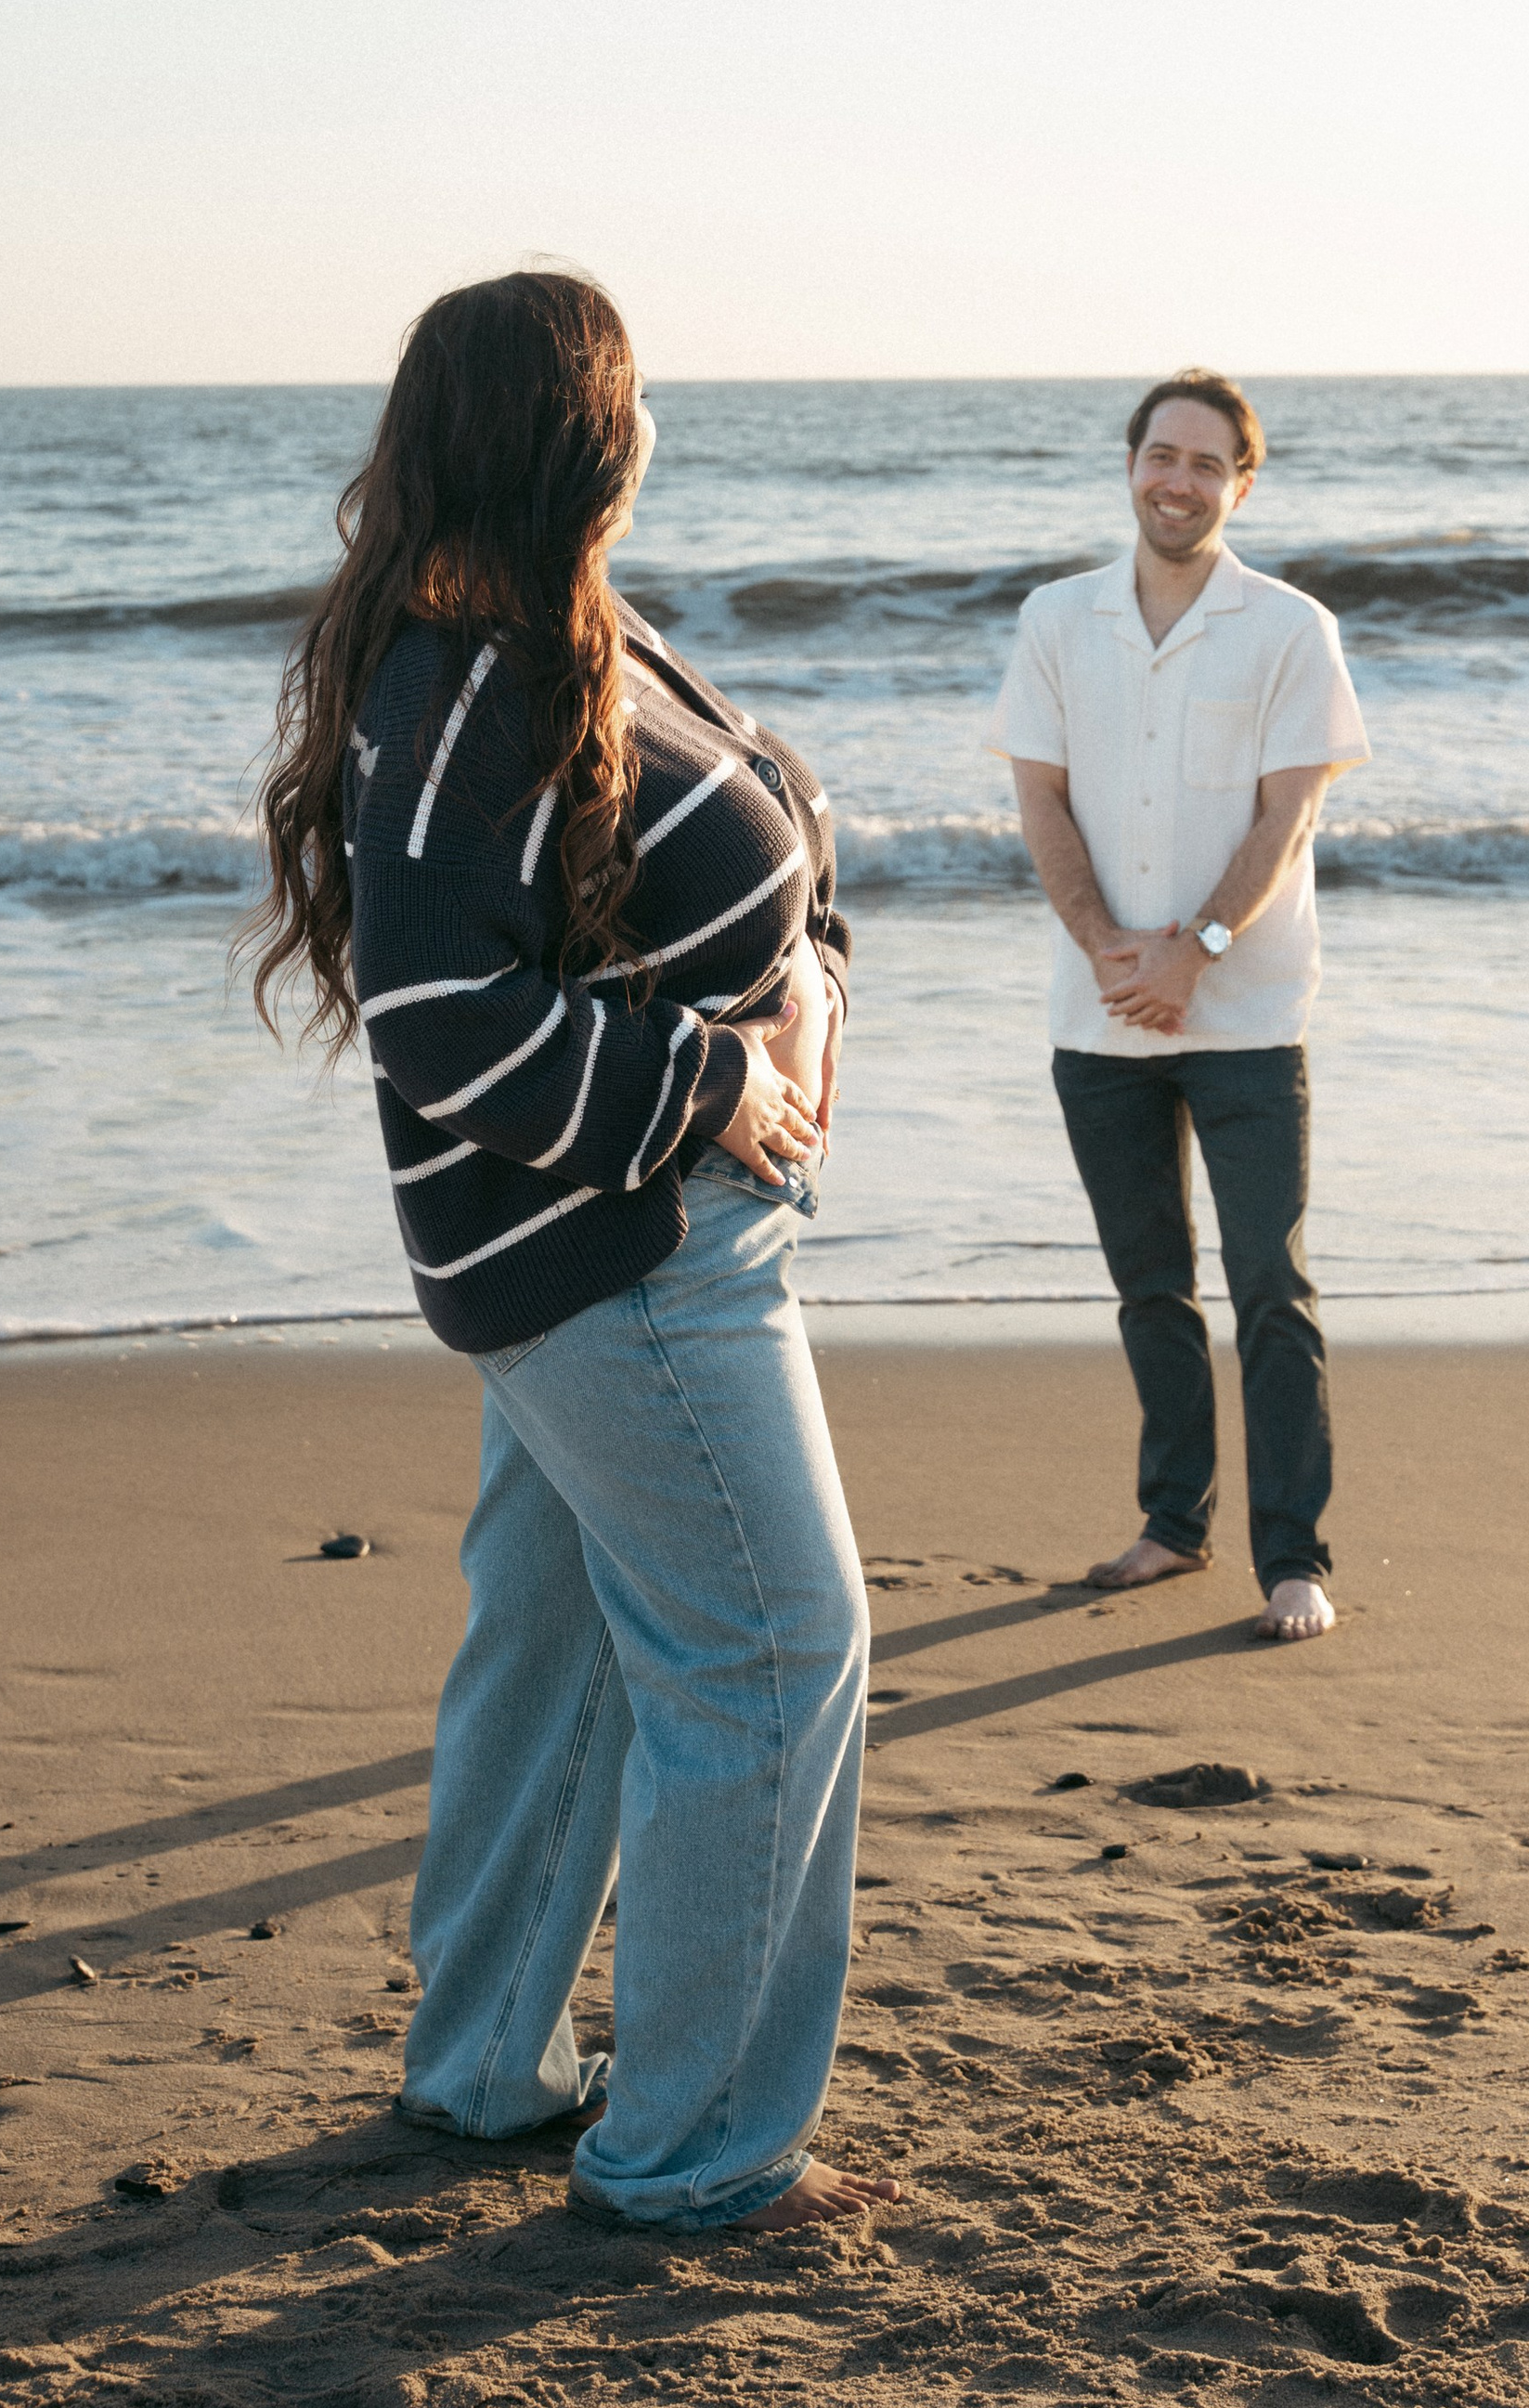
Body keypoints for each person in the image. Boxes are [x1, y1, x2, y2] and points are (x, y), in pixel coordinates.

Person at [242, 269, 899, 2238]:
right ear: (573, 438)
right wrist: (708, 1084)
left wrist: (810, 1001)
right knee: (775, 1657)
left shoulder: (555, 628)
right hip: (621, 1260)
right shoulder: (461, 691)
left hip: (620, 1248)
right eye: (626, 396)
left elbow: (778, 836)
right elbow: (447, 1023)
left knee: (569, 1657)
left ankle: (481, 2068)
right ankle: (696, 2153)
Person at [989, 370, 1369, 1643]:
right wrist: (1108, 948)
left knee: (1271, 1284)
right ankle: (1171, 1526)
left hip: (1249, 1014)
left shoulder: (1289, 630)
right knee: (1150, 1286)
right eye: (1163, 455)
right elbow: (1040, 798)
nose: (1179, 481)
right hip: (1099, 1017)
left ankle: (1294, 1559)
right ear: (1132, 465)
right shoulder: (1056, 620)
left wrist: (1195, 951)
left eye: (1208, 464)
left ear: (1242, 484)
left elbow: (1289, 812)